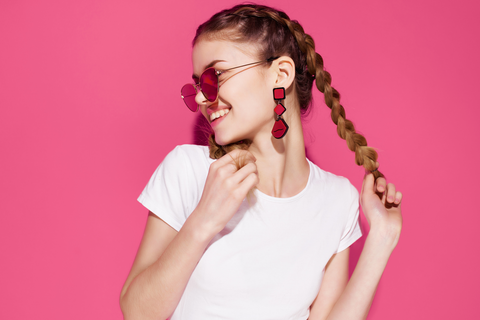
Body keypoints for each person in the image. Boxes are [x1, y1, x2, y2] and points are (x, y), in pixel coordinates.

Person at [120, 4, 403, 320]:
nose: (201, 97)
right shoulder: (189, 170)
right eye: (197, 85)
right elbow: (137, 313)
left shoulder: (338, 200)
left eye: (215, 76)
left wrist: (382, 238)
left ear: (280, 75)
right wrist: (203, 221)